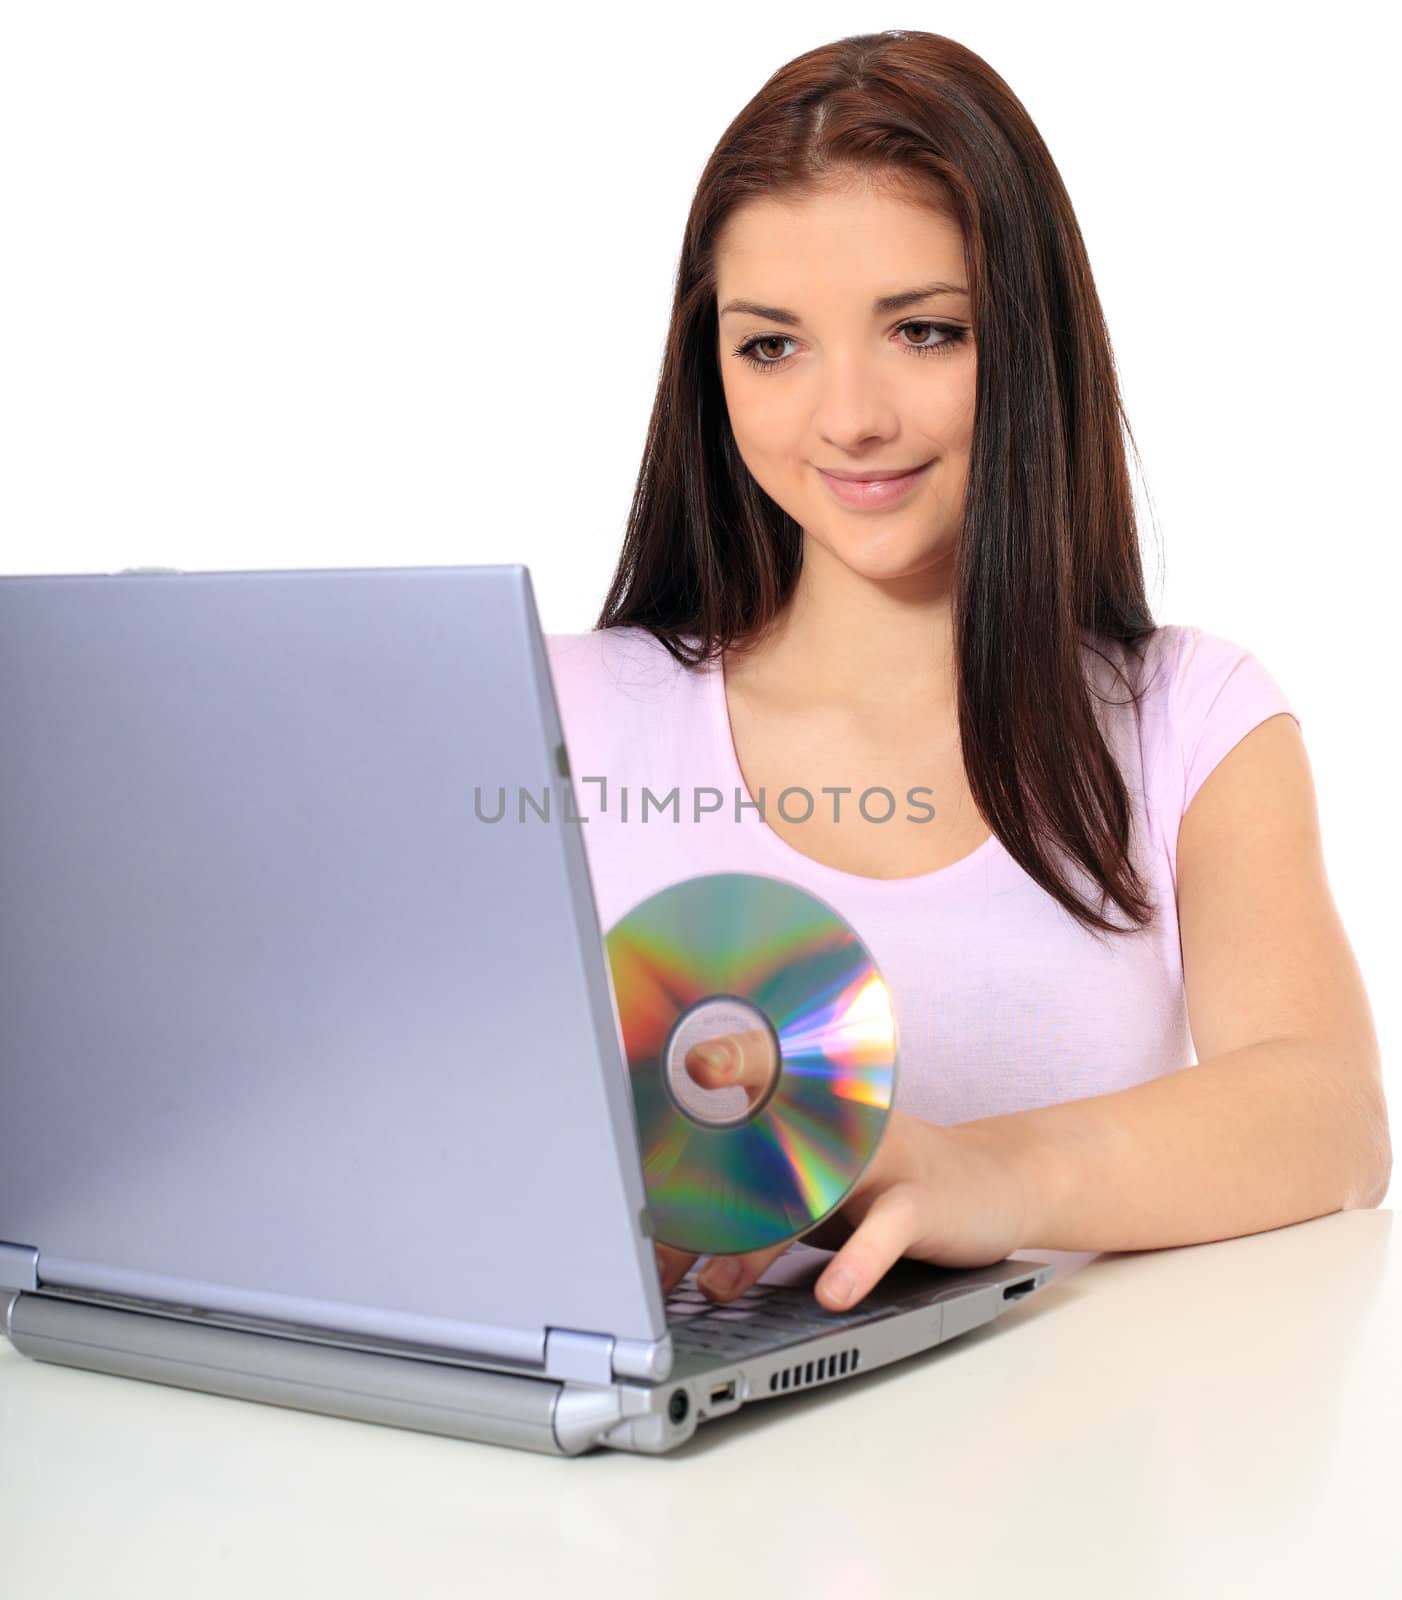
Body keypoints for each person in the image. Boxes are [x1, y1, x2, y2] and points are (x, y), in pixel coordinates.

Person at [544, 29, 1390, 1317]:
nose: (849, 418)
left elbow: (1329, 1119)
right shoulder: (557, 711)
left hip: (1066, 1480)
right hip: (657, 1473)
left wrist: (988, 1173)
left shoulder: (1191, 719)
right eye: (771, 346)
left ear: (1032, 345)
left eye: (925, 331)